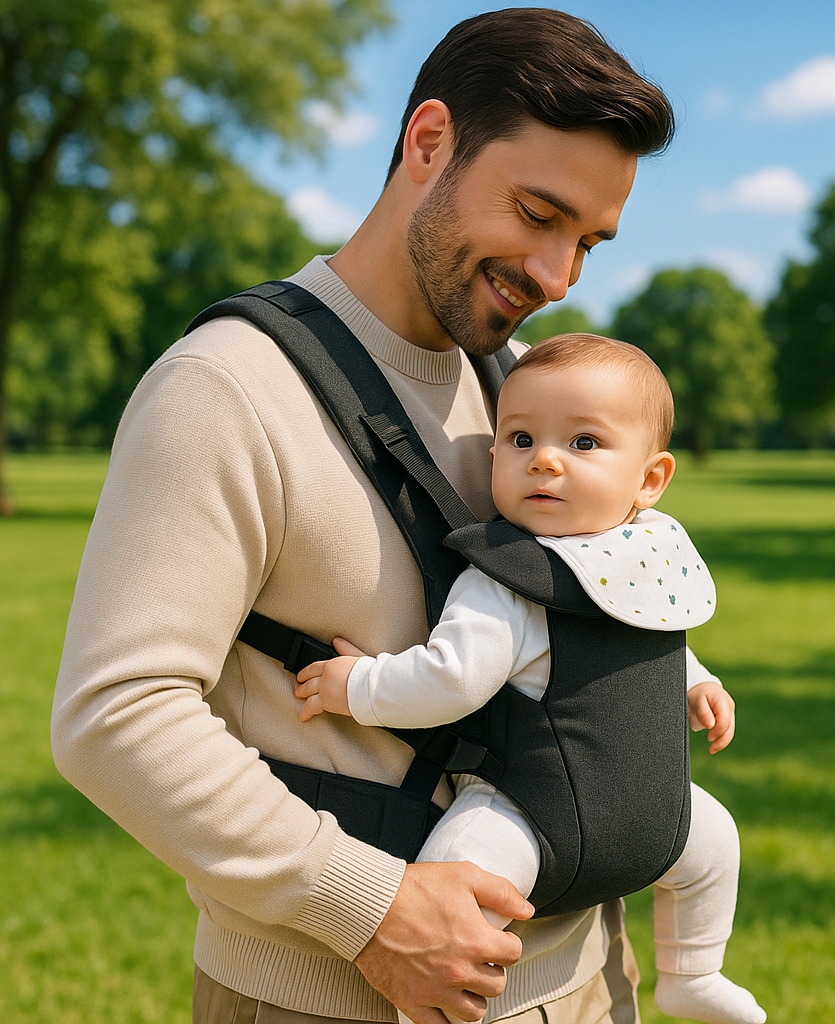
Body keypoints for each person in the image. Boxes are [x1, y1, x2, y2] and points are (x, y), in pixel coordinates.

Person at [52, 8, 684, 1024]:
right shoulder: (226, 388)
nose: (557, 277)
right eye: (535, 211)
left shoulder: (526, 392)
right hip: (334, 997)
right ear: (428, 141)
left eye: (587, 242)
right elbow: (112, 715)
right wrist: (370, 907)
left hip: (588, 984)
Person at [294, 334, 766, 1024]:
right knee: (459, 885)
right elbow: (448, 680)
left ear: (650, 480)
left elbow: (653, 639)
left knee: (716, 841)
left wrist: (698, 683)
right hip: (526, 813)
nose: (544, 459)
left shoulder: (645, 559)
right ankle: (433, 1008)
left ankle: (694, 973)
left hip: (649, 807)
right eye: (519, 439)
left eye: (583, 444)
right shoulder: (509, 580)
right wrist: (357, 685)